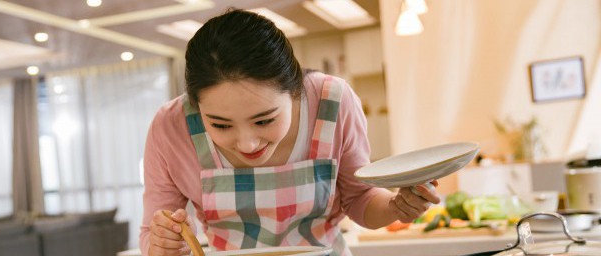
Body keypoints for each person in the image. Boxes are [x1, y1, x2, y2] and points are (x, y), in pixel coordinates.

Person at [140, 9, 440, 256]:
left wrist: (396, 207)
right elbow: (152, 234)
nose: (247, 143)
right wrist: (164, 243)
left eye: (264, 120)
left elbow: (360, 200)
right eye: (220, 125)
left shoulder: (332, 102)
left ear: (297, 91)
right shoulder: (171, 127)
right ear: (194, 104)